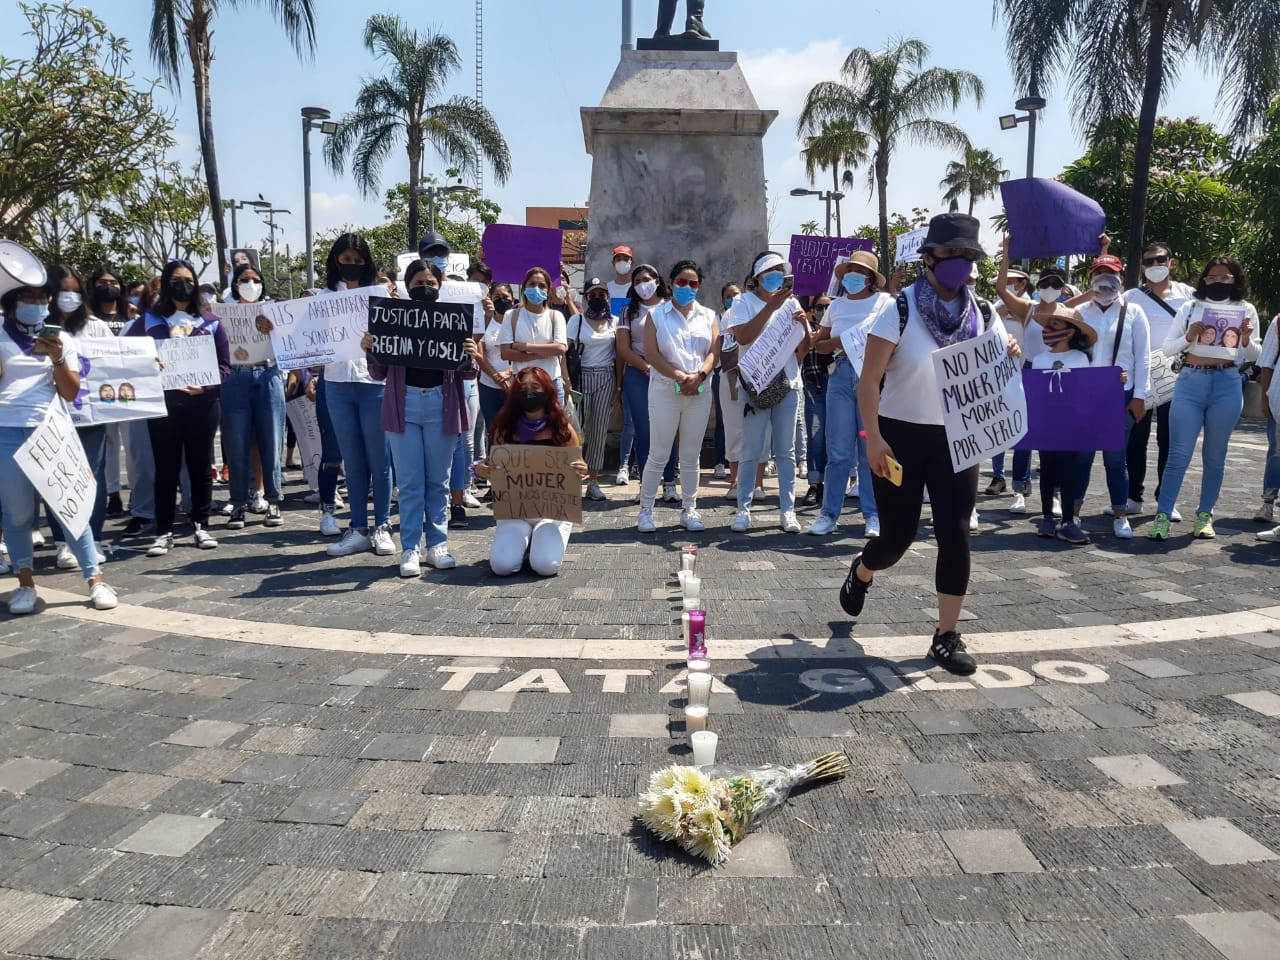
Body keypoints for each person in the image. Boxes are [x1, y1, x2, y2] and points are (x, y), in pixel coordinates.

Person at [846, 212, 1019, 676]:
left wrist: (1010, 355)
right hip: (899, 436)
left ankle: (946, 635)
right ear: (928, 258)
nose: (959, 265)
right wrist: (873, 440)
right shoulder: (897, 309)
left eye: (967, 257)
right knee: (897, 539)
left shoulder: (984, 312)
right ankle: (863, 568)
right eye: (950, 256)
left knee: (955, 531)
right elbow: (868, 382)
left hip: (959, 437)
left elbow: (997, 364)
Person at [0, 280, 118, 614]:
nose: (36, 304)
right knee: (17, 512)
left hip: (51, 430)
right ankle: (25, 584)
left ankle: (95, 579)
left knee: (71, 506)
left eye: (42, 299)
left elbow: (70, 391)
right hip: (6, 430)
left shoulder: (61, 338)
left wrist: (56, 358)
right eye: (28, 298)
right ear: (11, 303)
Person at [362, 260, 469, 577]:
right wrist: (370, 348)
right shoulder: (394, 321)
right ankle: (410, 548)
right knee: (409, 484)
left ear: (440, 287)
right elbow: (378, 371)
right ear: (407, 285)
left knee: (438, 483)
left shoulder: (452, 321)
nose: (426, 287)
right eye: (419, 281)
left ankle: (437, 544)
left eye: (432, 283)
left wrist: (471, 352)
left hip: (442, 405)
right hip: (403, 405)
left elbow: (469, 370)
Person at [1149, 257, 1259, 541]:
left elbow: (1254, 356)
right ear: (1204, 280)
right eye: (1213, 277)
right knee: (1178, 454)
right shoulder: (1190, 307)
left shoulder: (1245, 309)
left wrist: (1246, 339)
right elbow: (1169, 348)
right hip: (1191, 382)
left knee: (1215, 456)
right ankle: (1163, 515)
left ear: (1235, 279)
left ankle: (1204, 515)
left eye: (1225, 278)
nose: (1219, 282)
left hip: (1227, 383)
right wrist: (1189, 336)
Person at [127, 259, 230, 557]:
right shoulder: (147, 322)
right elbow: (129, 355)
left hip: (203, 405)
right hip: (164, 404)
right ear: (166, 283)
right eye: (176, 280)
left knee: (200, 466)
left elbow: (225, 366)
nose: (182, 285)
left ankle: (201, 523)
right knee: (166, 467)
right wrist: (148, 362)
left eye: (188, 279)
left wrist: (206, 386)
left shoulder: (210, 323)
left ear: (195, 284)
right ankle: (164, 530)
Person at [316, 234, 395, 558]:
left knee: (380, 461)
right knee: (352, 460)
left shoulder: (379, 297)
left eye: (357, 260)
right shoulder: (322, 297)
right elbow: (302, 339)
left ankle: (383, 526)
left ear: (367, 262)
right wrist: (270, 328)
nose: (351, 265)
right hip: (336, 384)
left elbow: (394, 339)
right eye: (345, 260)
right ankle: (358, 528)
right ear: (335, 261)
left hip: (373, 384)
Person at [726, 252, 810, 533]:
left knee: (785, 451)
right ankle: (743, 510)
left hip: (787, 383)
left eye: (779, 271)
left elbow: (803, 348)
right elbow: (743, 337)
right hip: (755, 384)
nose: (775, 276)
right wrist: (769, 308)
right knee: (751, 450)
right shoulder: (742, 301)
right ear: (757, 278)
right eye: (769, 272)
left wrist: (804, 325)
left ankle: (788, 511)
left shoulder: (792, 302)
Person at [475, 367, 588, 576]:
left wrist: (580, 469)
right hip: (515, 512)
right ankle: (522, 544)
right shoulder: (504, 426)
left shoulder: (562, 429)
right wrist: (481, 468)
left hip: (551, 512)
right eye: (523, 388)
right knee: (502, 566)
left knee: (546, 566)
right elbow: (491, 463)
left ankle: (545, 540)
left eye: (535, 387)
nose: (529, 392)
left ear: (547, 391)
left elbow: (577, 465)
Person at [808, 251, 891, 537]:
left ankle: (873, 515)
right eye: (848, 271)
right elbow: (819, 341)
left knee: (871, 448)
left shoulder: (886, 303)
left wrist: (835, 342)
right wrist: (811, 333)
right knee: (838, 451)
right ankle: (828, 515)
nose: (852, 276)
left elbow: (890, 339)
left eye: (859, 271)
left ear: (870, 278)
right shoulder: (836, 306)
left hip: (873, 376)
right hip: (841, 377)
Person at [1071, 253, 1151, 539]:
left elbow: (1142, 358)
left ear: (1120, 276)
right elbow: (1071, 353)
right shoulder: (1081, 313)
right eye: (1100, 274)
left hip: (1121, 394)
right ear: (1091, 278)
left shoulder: (1133, 312)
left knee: (1116, 459)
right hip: (1087, 394)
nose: (1105, 280)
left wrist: (1140, 395)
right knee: (1081, 457)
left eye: (1111, 274)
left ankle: (1120, 514)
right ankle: (1074, 514)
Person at [636, 260, 719, 532]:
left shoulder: (708, 315)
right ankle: (646, 511)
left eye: (693, 283)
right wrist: (679, 376)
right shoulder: (656, 315)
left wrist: (700, 376)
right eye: (681, 282)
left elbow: (713, 353)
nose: (687, 287)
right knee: (659, 453)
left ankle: (689, 509)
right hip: (664, 390)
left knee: (691, 455)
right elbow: (651, 354)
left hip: (699, 390)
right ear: (670, 284)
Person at [44, 264, 113, 567]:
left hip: (90, 417)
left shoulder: (96, 326)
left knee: (91, 479)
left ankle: (93, 537)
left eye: (75, 292)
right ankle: (63, 542)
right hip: (50, 418)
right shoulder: (38, 331)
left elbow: (120, 362)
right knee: (55, 479)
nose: (69, 298)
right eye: (63, 291)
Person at [1123, 241, 1196, 520]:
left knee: (1170, 439)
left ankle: (1166, 499)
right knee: (1135, 439)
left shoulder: (1189, 295)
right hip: (1141, 374)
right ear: (1142, 267)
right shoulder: (1131, 296)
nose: (1155, 265)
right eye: (1149, 262)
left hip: (1176, 376)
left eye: (1160, 260)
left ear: (1171, 262)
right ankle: (1132, 497)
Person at [221, 262, 285, 530]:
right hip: (236, 377)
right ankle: (238, 503)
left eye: (255, 279)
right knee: (236, 443)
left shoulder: (274, 311)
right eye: (244, 280)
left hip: (268, 375)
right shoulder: (223, 314)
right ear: (235, 286)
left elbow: (291, 340)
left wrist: (275, 328)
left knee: (272, 441)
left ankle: (273, 501)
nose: (250, 284)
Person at [1026, 304, 1097, 542]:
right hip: (1046, 423)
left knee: (1069, 471)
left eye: (1054, 326)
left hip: (1071, 424)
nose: (1047, 330)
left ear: (1069, 331)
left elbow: (1087, 390)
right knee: (1047, 469)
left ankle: (1067, 520)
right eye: (1047, 326)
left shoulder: (1080, 358)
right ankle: (1047, 516)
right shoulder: (1038, 359)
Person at [615, 264, 679, 502]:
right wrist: (646, 367)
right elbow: (623, 348)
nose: (643, 284)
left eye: (647, 279)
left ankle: (670, 482)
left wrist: (662, 368)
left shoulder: (670, 307)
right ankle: (646, 484)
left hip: (667, 370)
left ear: (658, 281)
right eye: (638, 281)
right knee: (644, 431)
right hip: (637, 373)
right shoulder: (627, 311)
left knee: (668, 429)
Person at [989, 255, 1033, 511]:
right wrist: (1001, 311)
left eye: (1013, 282)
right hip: (999, 376)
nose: (1007, 285)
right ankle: (998, 475)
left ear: (1023, 284)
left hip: (1025, 374)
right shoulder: (994, 308)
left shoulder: (1031, 308)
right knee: (998, 429)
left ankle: (1022, 483)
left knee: (1022, 431)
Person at [570, 278, 619, 501]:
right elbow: (565, 352)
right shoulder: (576, 321)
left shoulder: (615, 323)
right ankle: (573, 478)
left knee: (599, 430)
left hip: (605, 377)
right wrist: (566, 382)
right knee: (576, 431)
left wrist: (619, 388)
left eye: (601, 294)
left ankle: (593, 481)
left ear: (607, 297)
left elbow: (619, 357)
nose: (597, 298)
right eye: (593, 295)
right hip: (581, 377)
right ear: (586, 297)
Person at [499, 267, 569, 406]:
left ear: (549, 291)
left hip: (551, 383)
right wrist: (542, 353)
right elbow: (505, 353)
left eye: (542, 285)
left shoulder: (556, 316)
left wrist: (525, 347)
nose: (536, 288)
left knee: (554, 427)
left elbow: (560, 348)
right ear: (524, 288)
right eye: (532, 284)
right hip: (522, 385)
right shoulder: (511, 316)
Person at [607, 246, 638, 484]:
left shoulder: (638, 291)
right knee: (627, 420)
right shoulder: (607, 289)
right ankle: (623, 465)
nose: (622, 262)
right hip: (615, 354)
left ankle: (640, 464)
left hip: (637, 355)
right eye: (618, 259)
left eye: (626, 259)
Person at [800, 294, 833, 505]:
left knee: (834, 437)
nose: (823, 311)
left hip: (835, 385)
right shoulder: (806, 329)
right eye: (819, 307)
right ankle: (814, 484)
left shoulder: (838, 327)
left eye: (827, 307)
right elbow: (802, 349)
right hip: (813, 386)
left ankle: (831, 484)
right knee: (815, 435)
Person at [715, 283, 745, 497]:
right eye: (728, 296)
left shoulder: (755, 314)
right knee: (732, 428)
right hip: (729, 376)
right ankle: (734, 480)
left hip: (755, 377)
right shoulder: (722, 319)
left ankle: (755, 482)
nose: (733, 299)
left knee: (756, 430)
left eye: (736, 295)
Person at [477, 282, 515, 430]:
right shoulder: (485, 323)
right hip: (489, 386)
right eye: (497, 297)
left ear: (512, 299)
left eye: (505, 296)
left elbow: (525, 353)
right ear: (491, 299)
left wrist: (508, 372)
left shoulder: (519, 322)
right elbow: (480, 355)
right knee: (494, 432)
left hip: (515, 385)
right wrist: (497, 377)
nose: (501, 300)